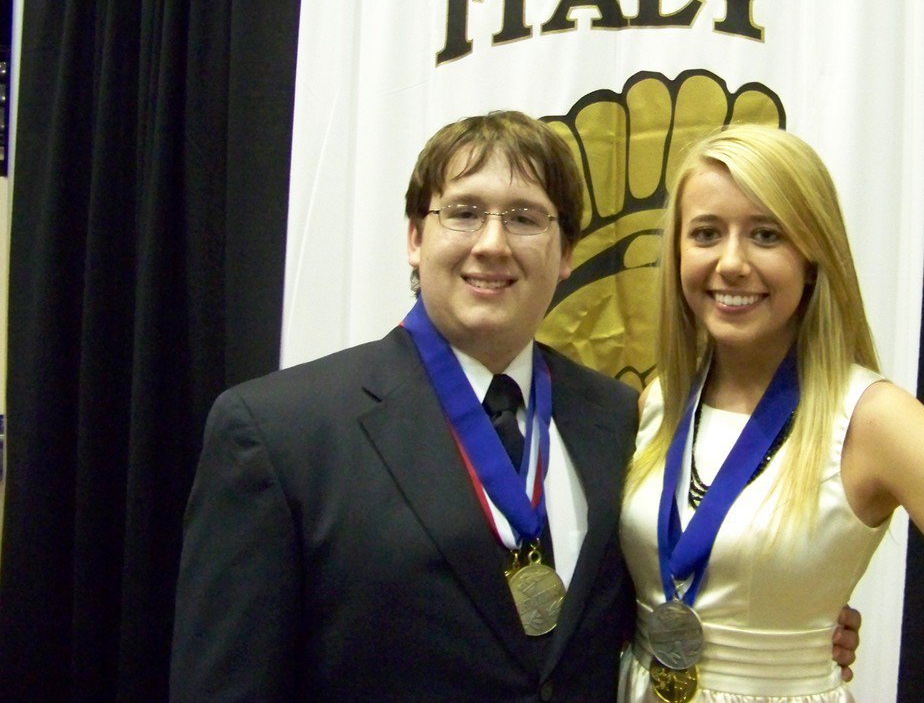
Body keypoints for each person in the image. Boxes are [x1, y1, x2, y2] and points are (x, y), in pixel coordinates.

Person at [170, 111, 861, 700]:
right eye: (464, 212)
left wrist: (792, 612)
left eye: (527, 218)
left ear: (566, 253)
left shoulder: (622, 419)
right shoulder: (278, 433)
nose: (493, 243)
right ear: (416, 236)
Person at [618, 125, 924, 702]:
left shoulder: (873, 419)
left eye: (766, 234)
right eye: (706, 233)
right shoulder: (660, 402)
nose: (732, 262)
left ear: (813, 256)